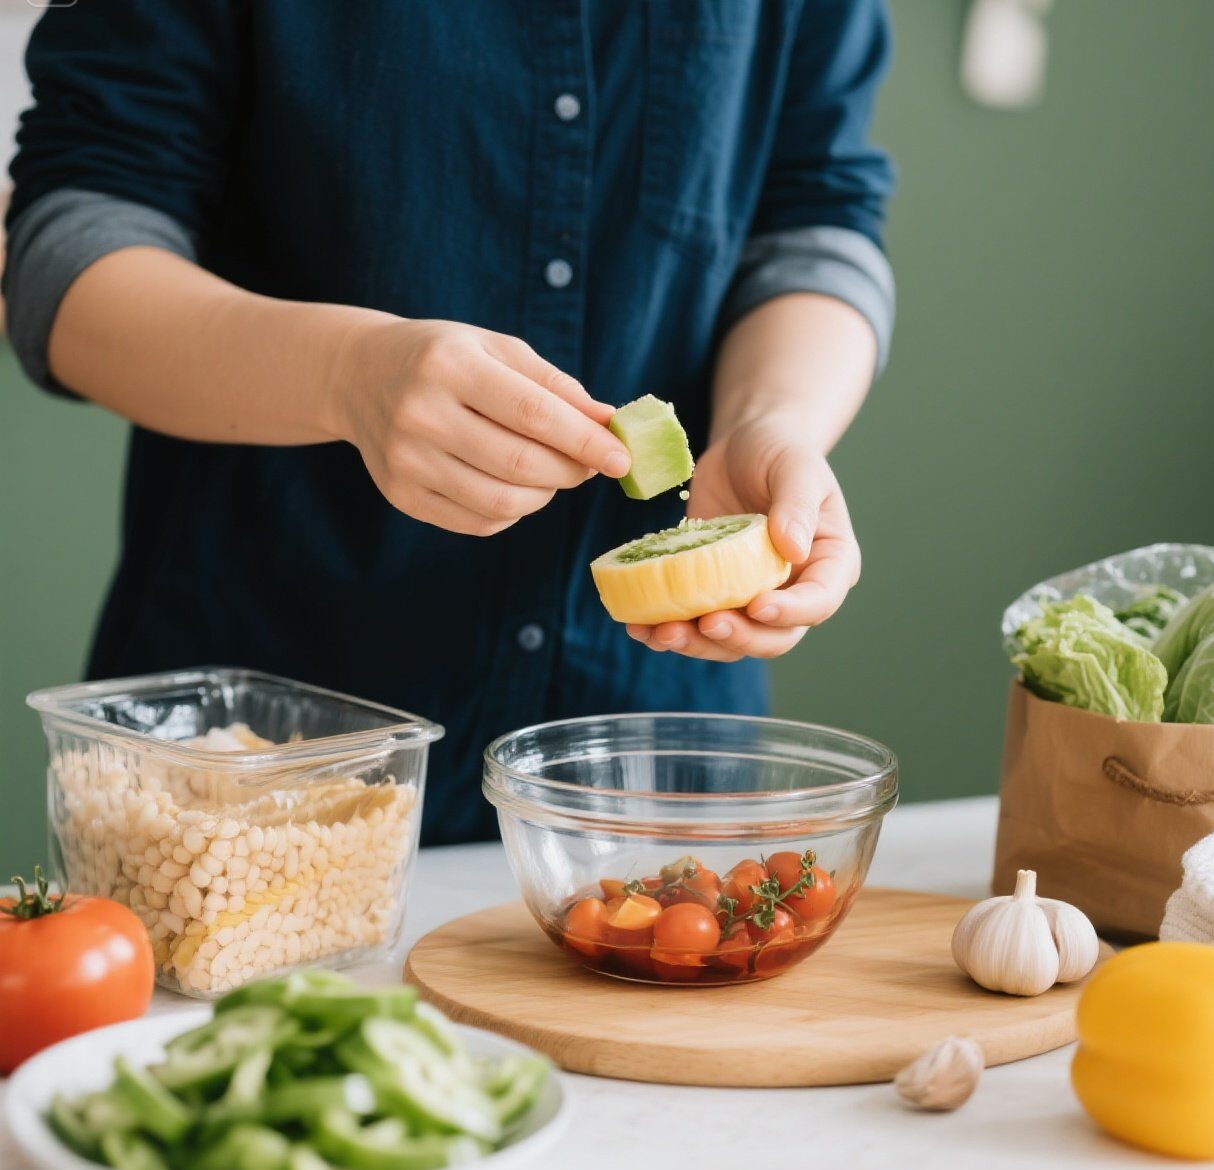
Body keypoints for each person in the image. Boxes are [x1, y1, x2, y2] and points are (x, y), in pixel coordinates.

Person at [4, 2, 895, 845]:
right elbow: (63, 250)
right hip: (255, 746)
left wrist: (773, 420)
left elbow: (814, 221)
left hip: (658, 750)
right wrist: (344, 374)